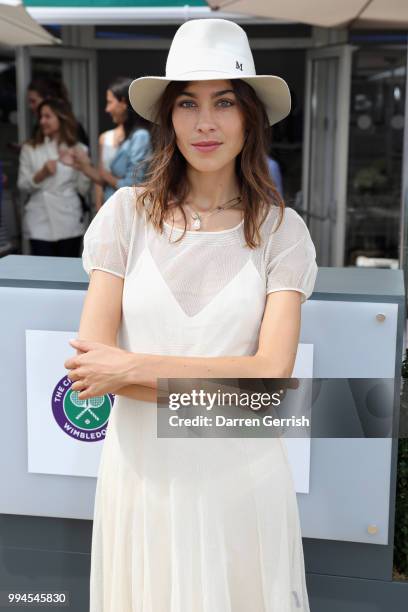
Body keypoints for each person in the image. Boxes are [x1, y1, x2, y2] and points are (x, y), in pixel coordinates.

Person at [64, 18, 318, 611]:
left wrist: (131, 367)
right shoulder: (125, 216)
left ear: (249, 117)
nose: (206, 122)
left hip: (242, 487)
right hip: (141, 484)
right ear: (169, 118)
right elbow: (88, 371)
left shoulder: (283, 231)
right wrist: (226, 382)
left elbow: (271, 382)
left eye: (224, 102)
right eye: (188, 103)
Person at [17, 97, 90, 257]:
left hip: (69, 219)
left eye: (48, 116)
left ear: (61, 118)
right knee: (42, 272)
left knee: (66, 270)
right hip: (39, 220)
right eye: (41, 117)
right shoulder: (30, 149)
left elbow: (83, 189)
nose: (42, 121)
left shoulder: (78, 149)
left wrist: (84, 166)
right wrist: (41, 174)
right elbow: (22, 184)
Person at [73, 77, 151, 204]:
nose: (107, 109)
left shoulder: (140, 136)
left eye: (110, 102)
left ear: (123, 103)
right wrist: (83, 165)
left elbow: (132, 184)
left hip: (128, 211)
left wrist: (106, 175)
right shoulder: (129, 137)